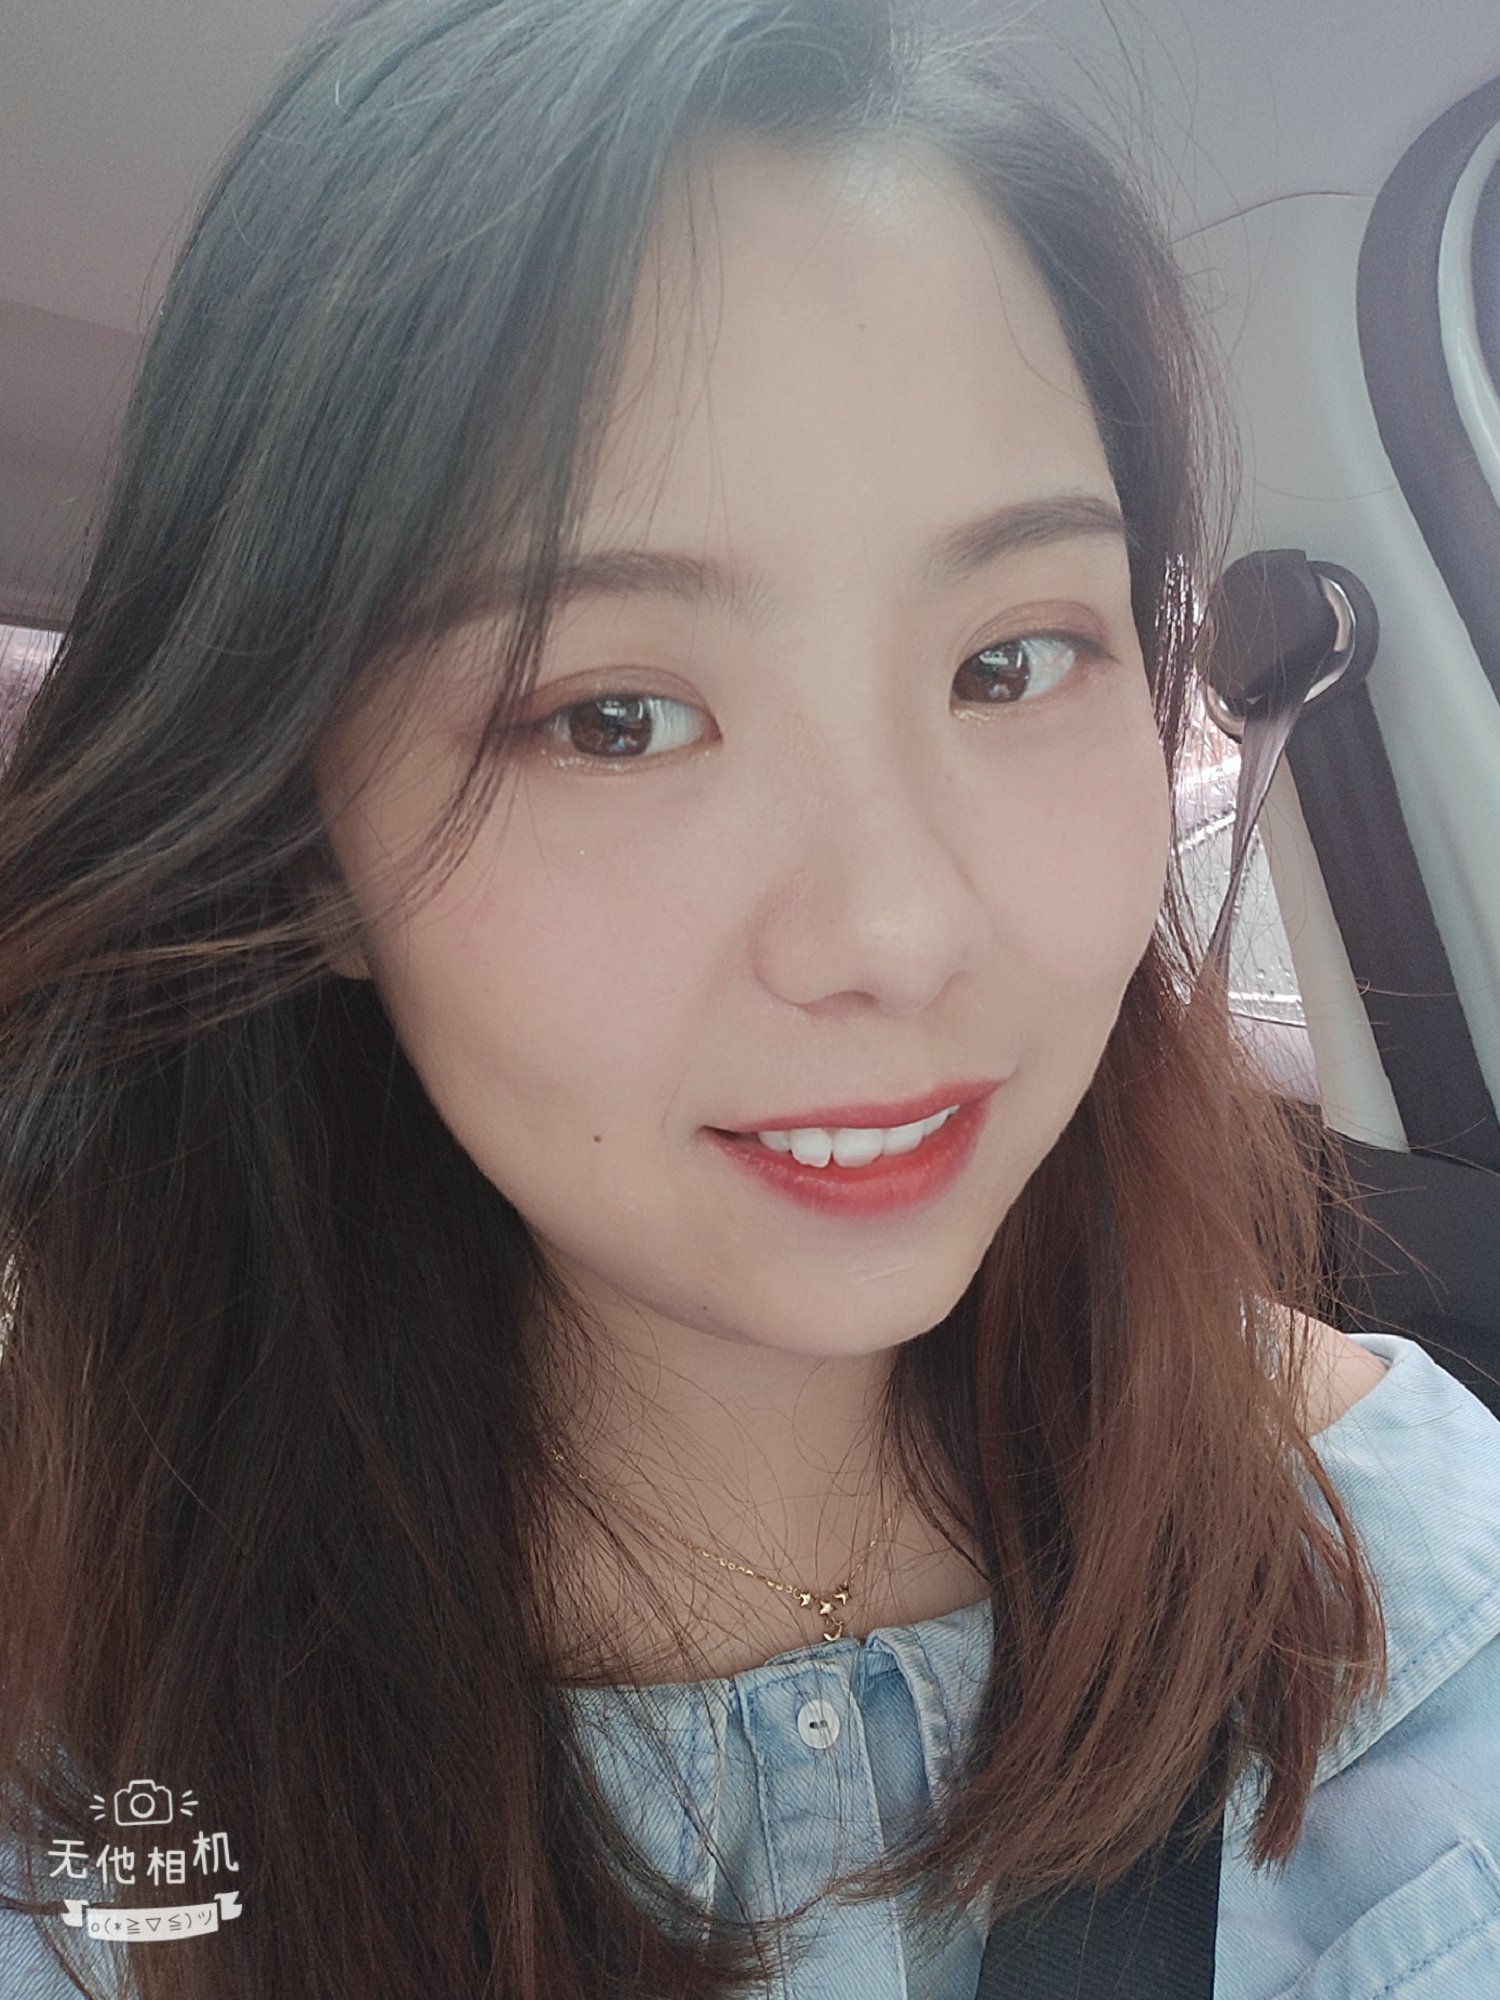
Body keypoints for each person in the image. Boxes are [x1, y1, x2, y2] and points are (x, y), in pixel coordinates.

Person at [0, 0, 1496, 1995]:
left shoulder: (1410, 1590)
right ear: (307, 844)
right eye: (613, 715)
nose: (896, 928)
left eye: (1009, 660)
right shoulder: (91, 1767)